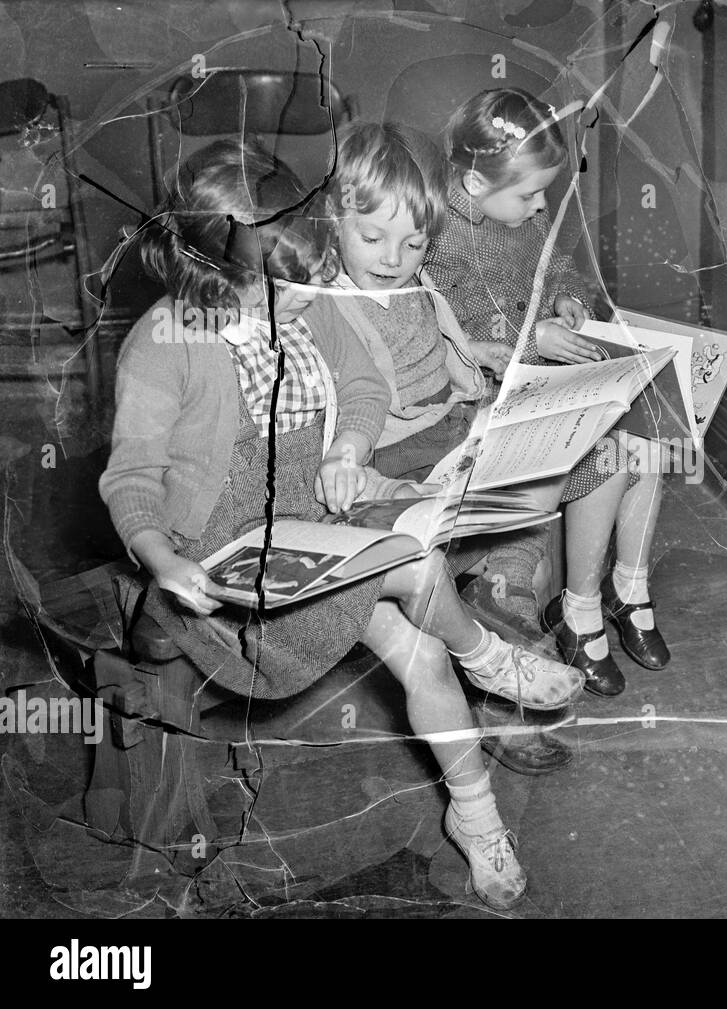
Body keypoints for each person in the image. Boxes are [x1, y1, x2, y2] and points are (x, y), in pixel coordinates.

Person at [98, 140, 583, 910]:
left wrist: (350, 448)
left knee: (421, 650)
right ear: (213, 276)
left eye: (311, 275)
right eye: (286, 287)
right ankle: (488, 655)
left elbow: (361, 385)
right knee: (419, 568)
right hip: (220, 558)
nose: (309, 295)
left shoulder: (303, 294)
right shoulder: (165, 343)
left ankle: (477, 817)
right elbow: (131, 479)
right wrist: (161, 558)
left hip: (311, 522)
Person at [320, 119, 575, 774]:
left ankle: (501, 615)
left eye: (412, 243)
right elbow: (352, 406)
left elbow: (440, 346)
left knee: (528, 530)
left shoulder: (412, 283)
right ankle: (498, 681)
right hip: (397, 454)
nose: (392, 257)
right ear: (333, 220)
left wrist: (486, 360)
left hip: (451, 421)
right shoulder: (327, 302)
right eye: (373, 238)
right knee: (506, 533)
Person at [425, 87, 671, 697]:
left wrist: (568, 299)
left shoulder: (515, 216)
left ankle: (629, 585)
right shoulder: (436, 234)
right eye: (531, 194)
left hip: (536, 382)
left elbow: (555, 264)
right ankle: (580, 610)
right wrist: (535, 336)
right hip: (479, 402)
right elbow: (445, 327)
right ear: (477, 183)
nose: (541, 207)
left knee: (656, 432)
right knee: (611, 453)